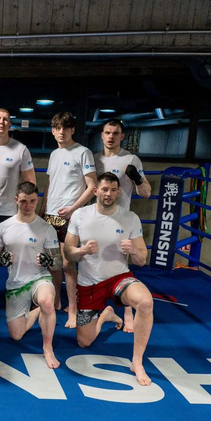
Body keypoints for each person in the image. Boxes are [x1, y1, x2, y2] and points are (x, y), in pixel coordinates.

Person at [64, 172, 154, 386]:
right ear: (96, 191)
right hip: (89, 283)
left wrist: (134, 250)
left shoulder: (130, 218)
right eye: (105, 189)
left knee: (145, 302)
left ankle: (137, 362)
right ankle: (106, 315)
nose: (108, 194)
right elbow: (67, 252)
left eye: (113, 190)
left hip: (118, 279)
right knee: (84, 342)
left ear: (118, 192)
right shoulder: (80, 215)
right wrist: (82, 251)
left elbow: (142, 259)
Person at [0, 182, 62, 369]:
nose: (28, 206)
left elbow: (58, 262)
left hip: (40, 278)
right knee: (16, 335)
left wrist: (49, 260)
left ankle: (47, 348)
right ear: (16, 200)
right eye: (23, 201)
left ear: (37, 201)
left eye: (32, 201)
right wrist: (0, 259)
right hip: (16, 283)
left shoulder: (46, 228)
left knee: (46, 301)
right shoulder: (4, 227)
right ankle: (38, 311)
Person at [94, 118, 152, 332]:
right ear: (102, 135)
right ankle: (99, 308)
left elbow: (146, 193)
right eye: (108, 132)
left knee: (121, 267)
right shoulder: (93, 159)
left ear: (122, 136)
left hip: (121, 220)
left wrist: (137, 177)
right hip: (97, 219)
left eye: (115, 133)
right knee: (94, 263)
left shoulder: (131, 159)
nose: (111, 137)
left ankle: (127, 313)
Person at [40, 111, 97, 326]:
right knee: (53, 263)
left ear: (72, 130)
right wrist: (41, 211)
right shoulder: (54, 154)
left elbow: (92, 187)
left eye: (65, 128)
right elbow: (49, 185)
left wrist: (73, 209)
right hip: (50, 215)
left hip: (71, 217)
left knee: (67, 264)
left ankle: (73, 310)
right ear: (53, 131)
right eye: (57, 128)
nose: (61, 132)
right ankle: (56, 301)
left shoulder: (83, 152)